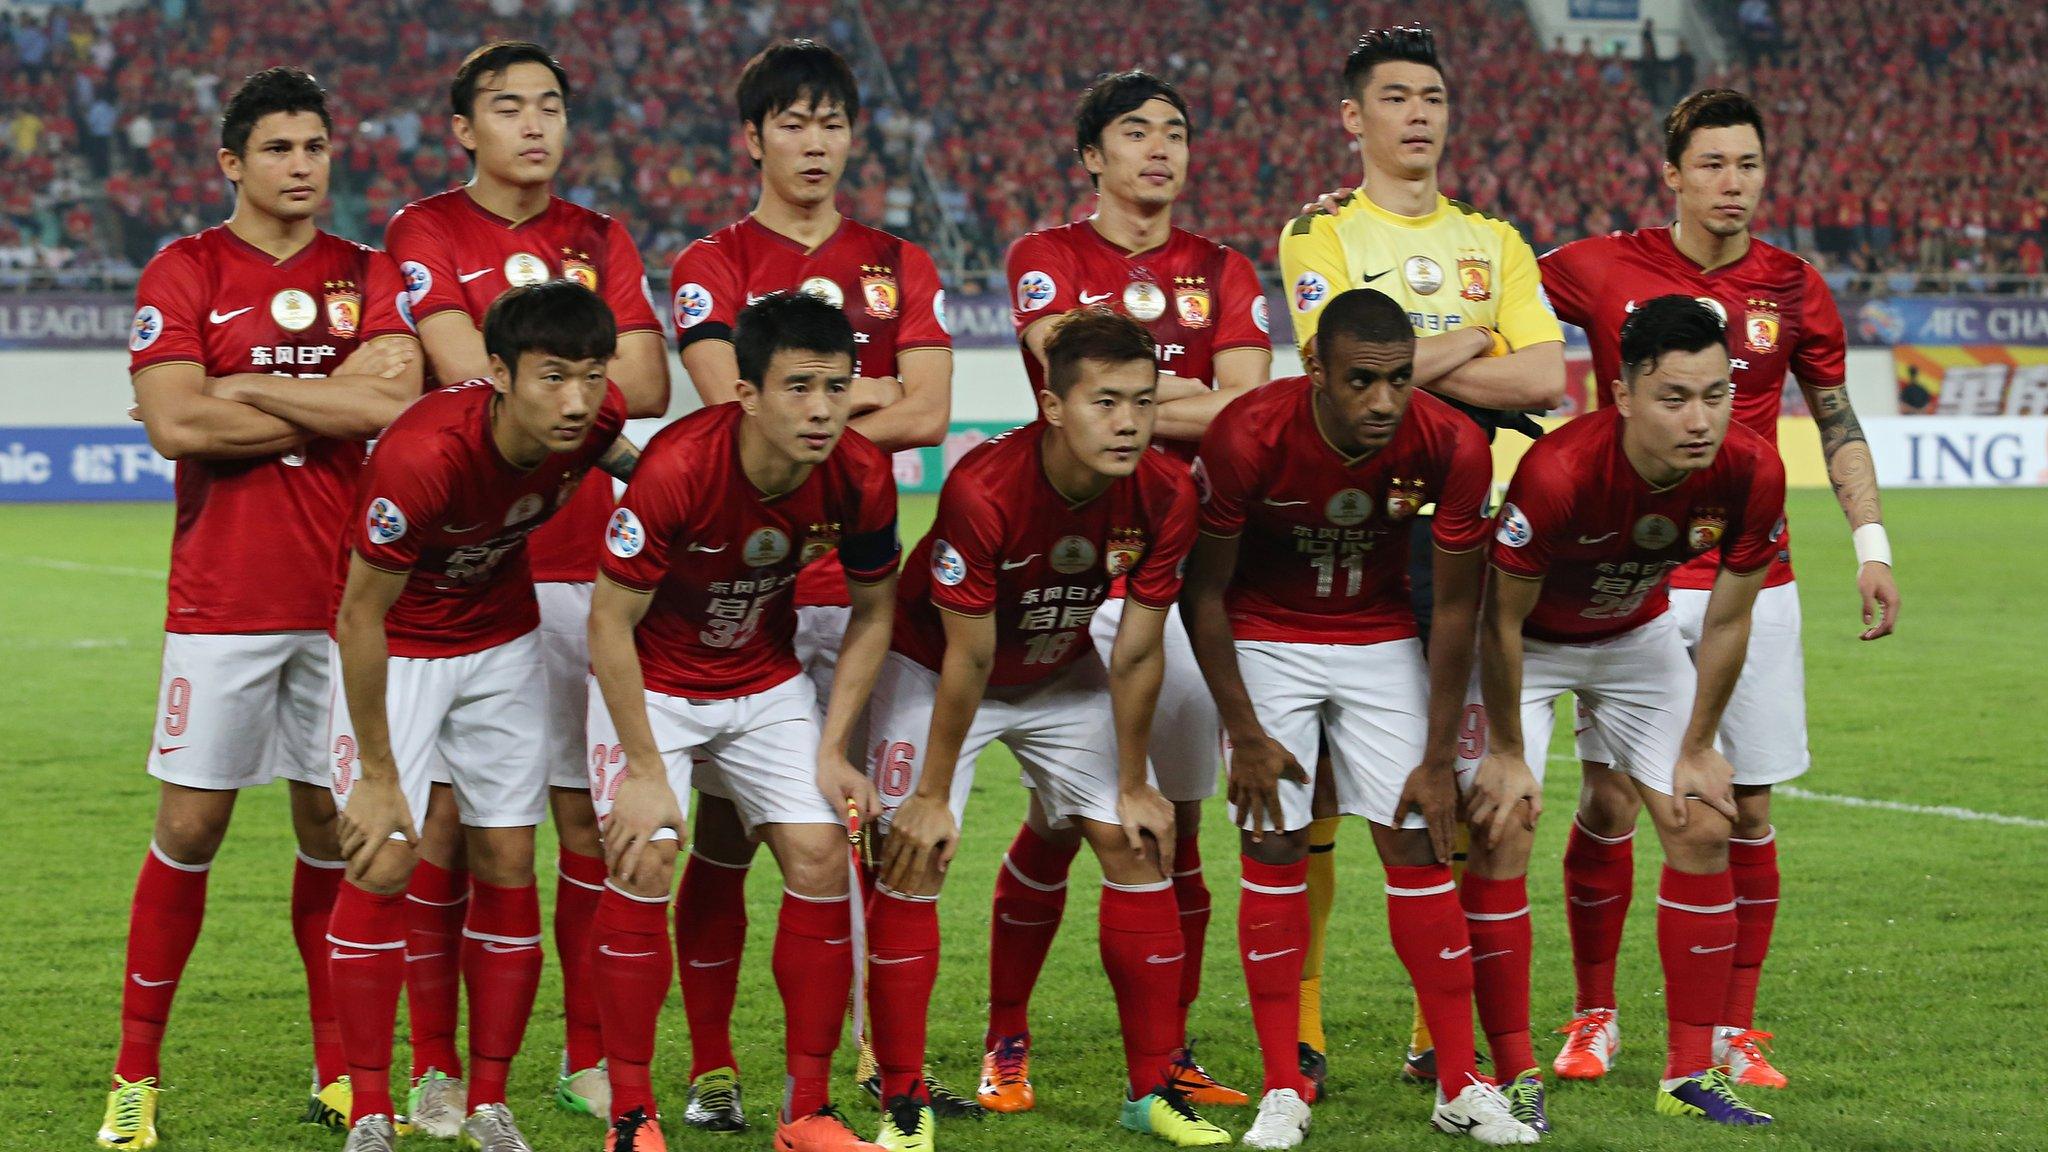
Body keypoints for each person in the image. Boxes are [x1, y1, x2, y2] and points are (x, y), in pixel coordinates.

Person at [1537, 89, 1900, 1089]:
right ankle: (1592, 1016)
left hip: (1755, 574)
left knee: (1744, 803)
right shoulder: (1595, 266)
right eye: (1710, 164)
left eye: (1746, 164)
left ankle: (1736, 1031)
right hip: (1628, 575)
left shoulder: (1791, 285)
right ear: (1671, 173)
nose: (1730, 182)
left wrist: (1869, 542)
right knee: (1608, 796)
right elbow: (1495, 317)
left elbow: (1834, 420)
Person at [101, 66, 421, 1151]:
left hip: (348, 603)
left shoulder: (369, 273)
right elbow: (175, 428)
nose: (301, 165)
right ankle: (134, 1079)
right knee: (189, 829)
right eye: (278, 148)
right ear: (232, 162)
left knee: (332, 834)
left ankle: (338, 1072)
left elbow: (390, 401)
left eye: (316, 147)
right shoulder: (182, 268)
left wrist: (245, 389)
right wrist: (322, 410)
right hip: (224, 600)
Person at [664, 39, 961, 1129]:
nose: (815, 141)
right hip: (744, 596)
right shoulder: (712, 261)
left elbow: (930, 410)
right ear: (752, 139)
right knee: (726, 836)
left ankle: (878, 1066)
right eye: (792, 122)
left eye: (831, 121)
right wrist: (861, 392)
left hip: (868, 589)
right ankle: (709, 1066)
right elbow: (717, 405)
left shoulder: (897, 257)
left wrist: (804, 411)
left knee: (859, 831)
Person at [382, 39, 671, 1128]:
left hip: (591, 568)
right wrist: (573, 385)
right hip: (485, 570)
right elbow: (463, 371)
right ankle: (435, 1062)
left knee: (583, 824)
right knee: (452, 828)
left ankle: (584, 1052)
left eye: (549, 106)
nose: (534, 125)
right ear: (464, 127)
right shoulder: (424, 229)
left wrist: (553, 386)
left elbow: (643, 376)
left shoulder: (601, 236)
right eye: (508, 108)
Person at [1276, 24, 1564, 1093]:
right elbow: (1335, 373)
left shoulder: (1496, 240)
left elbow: (1541, 380)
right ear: (1352, 117)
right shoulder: (1318, 234)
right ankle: (1301, 1024)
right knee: (1307, 798)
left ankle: (1427, 1031)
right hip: (1345, 526)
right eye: (1392, 97)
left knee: (1440, 780)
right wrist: (1473, 344)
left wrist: (1403, 363)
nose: (1415, 114)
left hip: (1464, 527)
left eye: (1430, 97)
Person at [1181, 289, 1538, 1147]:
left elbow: (1454, 610)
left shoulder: (1449, 442)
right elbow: (1206, 595)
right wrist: (1249, 735)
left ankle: (1459, 1082)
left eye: (1401, 381)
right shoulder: (1246, 436)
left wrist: (1433, 753)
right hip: (1268, 631)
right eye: (1362, 382)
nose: (1385, 402)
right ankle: (1282, 1087)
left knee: (1417, 835)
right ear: (1314, 371)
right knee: (1273, 840)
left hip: (1379, 634)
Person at [865, 310, 1224, 1149]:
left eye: (1142, 401)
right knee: (915, 855)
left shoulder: (1168, 492)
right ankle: (904, 1100)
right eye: (1106, 402)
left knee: (1139, 844)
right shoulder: (984, 488)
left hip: (1061, 670)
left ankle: (1150, 1093)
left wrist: (1135, 781)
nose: (1129, 421)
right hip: (937, 670)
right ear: (1054, 406)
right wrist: (929, 795)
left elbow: (1136, 653)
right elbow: (967, 657)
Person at [987, 68, 1271, 1113]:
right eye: (1134, 131)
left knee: (1175, 823)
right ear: (1090, 156)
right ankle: (1003, 1039)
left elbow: (1244, 419)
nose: (1159, 148)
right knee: (1065, 817)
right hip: (1064, 573)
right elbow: (1067, 369)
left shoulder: (1222, 267)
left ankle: (1171, 1049)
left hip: (1184, 572)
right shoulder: (1043, 257)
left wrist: (1140, 399)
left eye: (1176, 133)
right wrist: (1185, 398)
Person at [325, 281, 638, 1152]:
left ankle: (490, 1104)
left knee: (509, 856)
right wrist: (382, 779)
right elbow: (358, 617)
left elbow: (642, 470)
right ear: (498, 373)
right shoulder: (423, 457)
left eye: (591, 375)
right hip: (400, 648)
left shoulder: (590, 424)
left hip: (502, 641)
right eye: (550, 378)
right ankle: (375, 1114)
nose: (575, 400)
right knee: (385, 860)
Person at [587, 292, 902, 1152]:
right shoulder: (678, 469)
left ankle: (806, 1112)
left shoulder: (862, 476)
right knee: (647, 856)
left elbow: (875, 612)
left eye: (837, 388)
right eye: (799, 387)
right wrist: (646, 769)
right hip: (653, 684)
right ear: (746, 393)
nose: (821, 409)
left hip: (763, 680)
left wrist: (834, 750)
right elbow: (609, 623)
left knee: (819, 855)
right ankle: (631, 1115)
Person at [1466, 295, 1785, 1127]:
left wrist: (1701, 745)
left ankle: (1686, 1076)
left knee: (1705, 820)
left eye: (1716, 396)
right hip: (1528, 647)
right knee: (1503, 824)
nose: (1700, 419)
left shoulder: (1752, 469)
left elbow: (1726, 615)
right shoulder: (1561, 472)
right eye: (1676, 398)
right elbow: (1499, 618)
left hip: (1636, 637)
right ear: (1624, 394)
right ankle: (1511, 1072)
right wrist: (1505, 749)